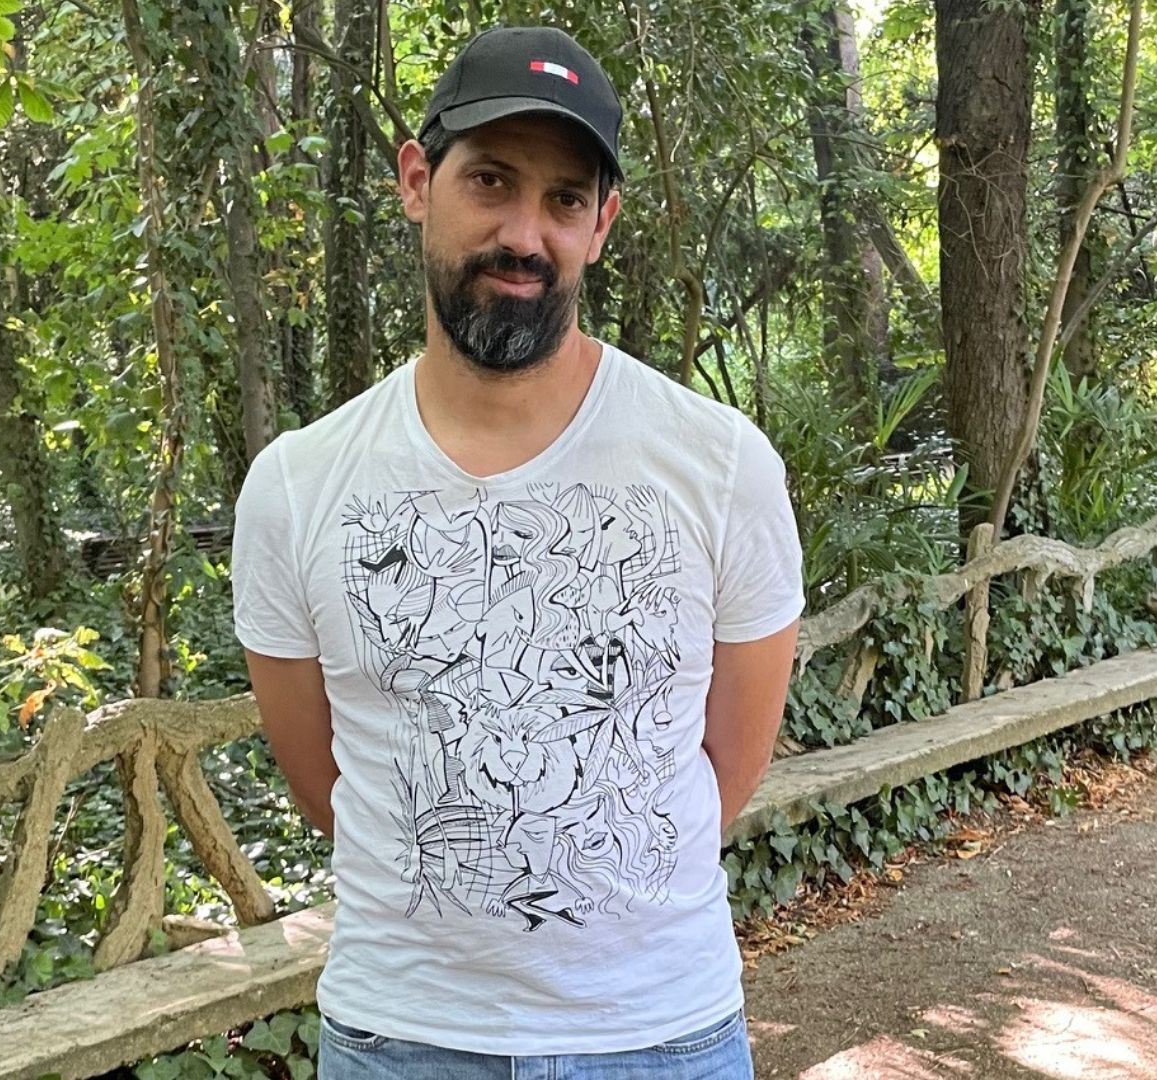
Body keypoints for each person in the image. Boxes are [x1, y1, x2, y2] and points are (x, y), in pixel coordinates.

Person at [231, 24, 803, 1079]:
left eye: (564, 200)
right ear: (418, 180)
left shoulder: (720, 465)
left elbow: (729, 764)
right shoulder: (298, 487)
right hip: (403, 1040)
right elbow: (325, 780)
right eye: (490, 181)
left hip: (661, 1037)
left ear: (602, 225)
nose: (525, 234)